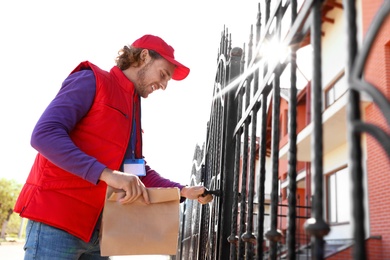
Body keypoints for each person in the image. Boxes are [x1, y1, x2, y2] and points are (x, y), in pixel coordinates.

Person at [14, 34, 213, 259]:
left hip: (100, 234)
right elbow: (44, 135)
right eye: (163, 74)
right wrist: (107, 174)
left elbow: (134, 171)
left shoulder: (133, 110)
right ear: (145, 57)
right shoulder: (92, 80)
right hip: (56, 223)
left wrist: (182, 191)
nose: (164, 85)